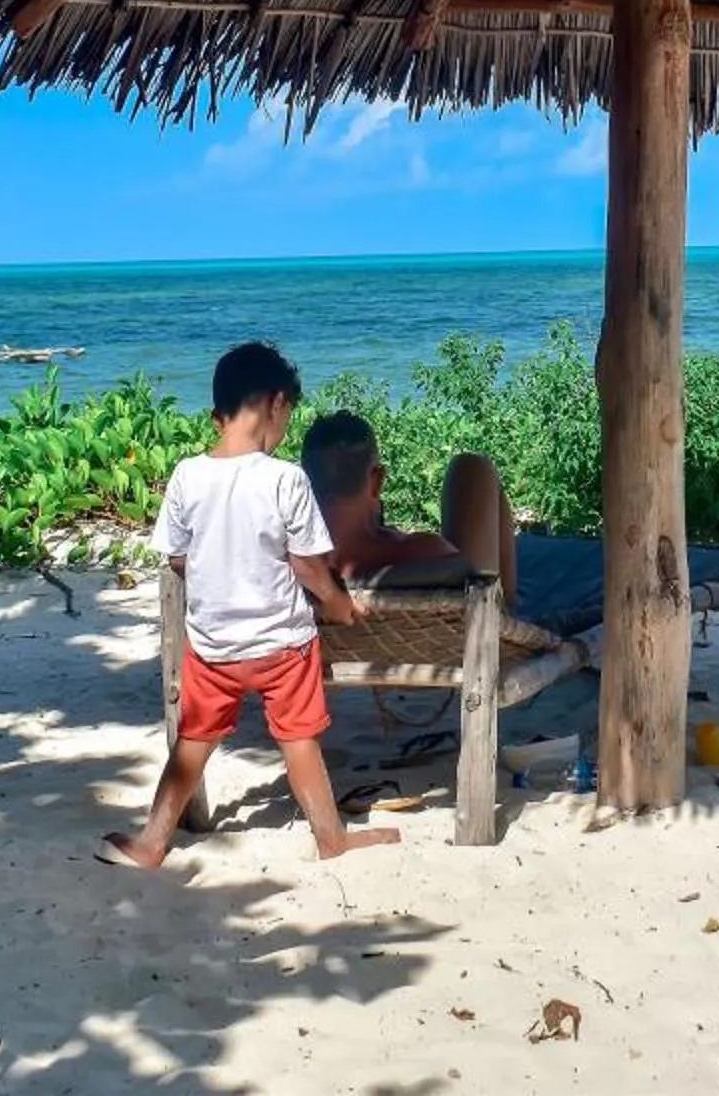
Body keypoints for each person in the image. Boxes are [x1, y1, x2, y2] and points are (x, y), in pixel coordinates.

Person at [103, 343, 394, 869]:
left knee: (193, 741)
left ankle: (151, 842)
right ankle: (330, 837)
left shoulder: (187, 475)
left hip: (213, 646)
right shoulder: (286, 479)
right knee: (299, 740)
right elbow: (308, 566)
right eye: (289, 414)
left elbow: (177, 558)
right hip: (283, 644)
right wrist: (338, 603)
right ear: (277, 403)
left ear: (219, 412)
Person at [299, 411, 518, 606]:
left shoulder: (296, 567)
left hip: (338, 637)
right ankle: (511, 604)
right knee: (472, 468)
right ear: (377, 480)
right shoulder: (421, 554)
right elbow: (467, 572)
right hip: (480, 630)